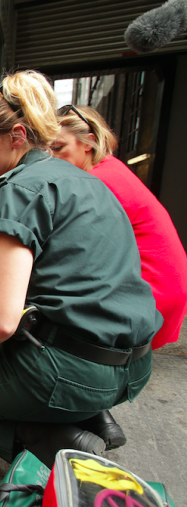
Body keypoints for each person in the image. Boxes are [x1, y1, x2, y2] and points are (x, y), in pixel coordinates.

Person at [0, 70, 162, 469]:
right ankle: (93, 416)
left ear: (18, 136)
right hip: (135, 367)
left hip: (74, 373)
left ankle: (44, 436)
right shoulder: (87, 180)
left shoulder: (18, 188)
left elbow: (2, 320)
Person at [53, 105, 187, 350]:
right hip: (162, 286)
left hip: (152, 293)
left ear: (88, 142)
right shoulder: (109, 168)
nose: (53, 157)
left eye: (59, 148)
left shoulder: (101, 181)